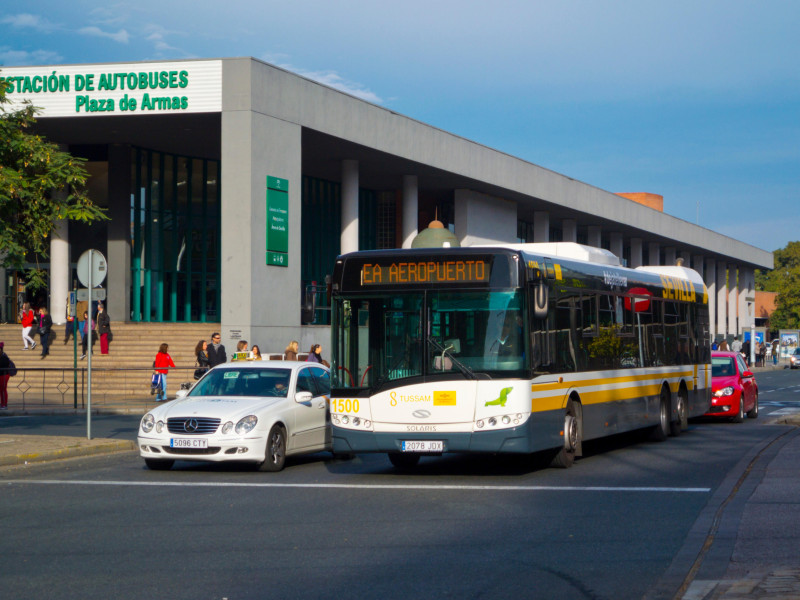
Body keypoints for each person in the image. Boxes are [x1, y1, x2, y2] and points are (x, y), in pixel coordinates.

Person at [0, 342, 12, 410]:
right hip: (1, 375)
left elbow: (3, 365)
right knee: (1, 390)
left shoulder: (4, 357)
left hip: (4, 375)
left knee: (3, 389)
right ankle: (2, 403)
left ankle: (4, 404)